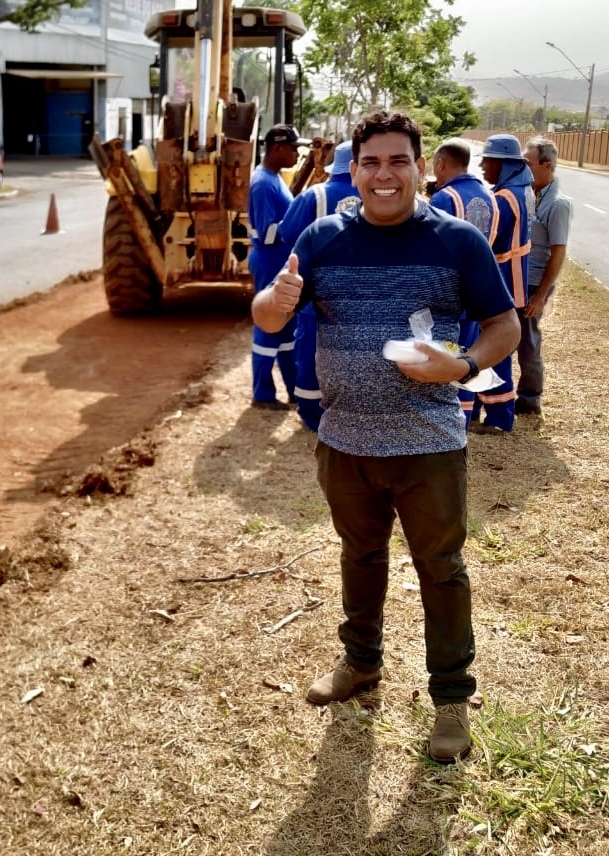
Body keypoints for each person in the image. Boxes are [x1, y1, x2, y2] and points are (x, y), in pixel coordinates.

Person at [252, 110, 520, 763]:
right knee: (359, 556)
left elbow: (504, 326)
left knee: (441, 569)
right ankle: (360, 665)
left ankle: (451, 701)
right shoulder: (322, 238)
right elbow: (263, 313)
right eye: (371, 162)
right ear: (355, 170)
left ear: (420, 167)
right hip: (344, 443)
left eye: (398, 161)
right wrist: (278, 301)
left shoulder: (457, 241)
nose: (384, 174)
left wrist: (462, 366)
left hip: (428, 442)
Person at [276, 140, 360, 432]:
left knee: (311, 351)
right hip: (363, 295)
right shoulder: (379, 196)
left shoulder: (315, 195)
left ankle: (313, 415)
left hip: (317, 294)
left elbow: (288, 234)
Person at [429, 139, 500, 427]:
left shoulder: (444, 199)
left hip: (448, 292)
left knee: (449, 351)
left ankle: (452, 412)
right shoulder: (490, 196)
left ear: (441, 165)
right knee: (472, 351)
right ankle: (469, 415)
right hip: (478, 287)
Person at [474, 133, 534, 434]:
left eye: (489, 160)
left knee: (494, 349)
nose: (483, 166)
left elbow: (486, 241)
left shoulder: (504, 200)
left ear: (505, 164)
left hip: (503, 280)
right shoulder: (521, 190)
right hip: (514, 278)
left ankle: (498, 417)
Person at [248, 123, 308, 410]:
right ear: (278, 148)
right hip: (269, 260)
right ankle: (262, 394)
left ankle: (293, 390)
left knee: (285, 328)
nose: (298, 154)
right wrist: (299, 224)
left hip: (279, 261)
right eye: (294, 148)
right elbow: (266, 232)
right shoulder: (263, 183)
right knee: (267, 324)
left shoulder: (274, 178)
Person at [518, 137, 573, 417]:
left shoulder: (558, 204)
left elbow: (558, 253)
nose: (523, 168)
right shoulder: (529, 193)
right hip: (520, 275)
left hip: (535, 281)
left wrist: (541, 295)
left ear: (546, 165)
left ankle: (529, 399)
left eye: (527, 163)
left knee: (528, 340)